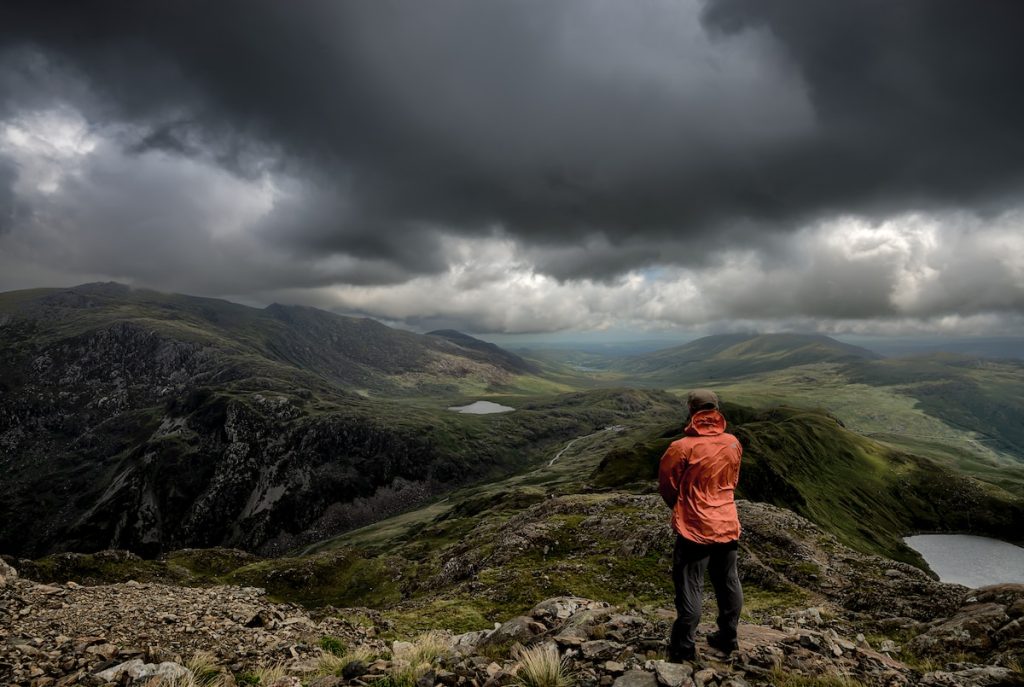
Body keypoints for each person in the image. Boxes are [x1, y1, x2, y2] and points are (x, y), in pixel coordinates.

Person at [658, 388, 744, 662]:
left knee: (691, 584)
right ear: (716, 409)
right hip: (728, 522)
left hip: (695, 528)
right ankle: (728, 637)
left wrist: (682, 505)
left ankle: (684, 648)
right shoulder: (733, 443)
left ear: (692, 411)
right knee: (728, 580)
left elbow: (668, 486)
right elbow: (732, 482)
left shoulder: (681, 447)